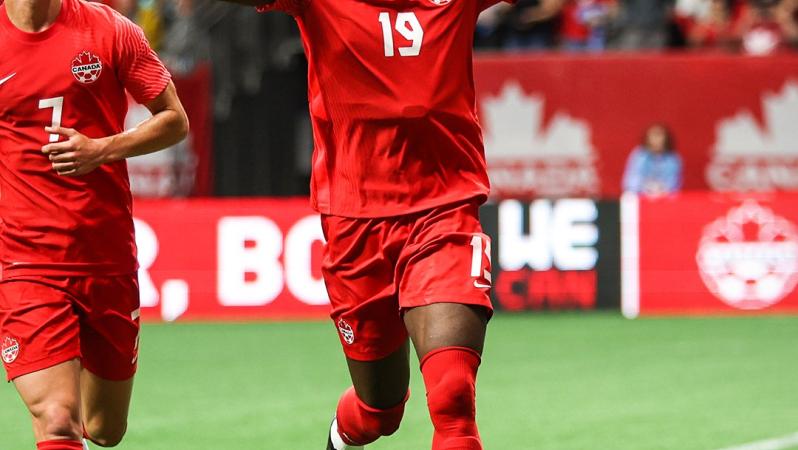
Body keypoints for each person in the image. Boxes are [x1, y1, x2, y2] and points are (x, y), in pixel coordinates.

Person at [217, 0, 511, 449]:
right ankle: (343, 435)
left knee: (453, 399)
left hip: (443, 211)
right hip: (355, 225)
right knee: (379, 410)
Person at [0, 0, 189, 448]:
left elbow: (174, 119)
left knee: (105, 429)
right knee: (57, 417)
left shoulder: (111, 31)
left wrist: (102, 150)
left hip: (105, 256)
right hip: (24, 261)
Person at [622, 124, 683, 196]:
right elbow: (630, 181)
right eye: (653, 135)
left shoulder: (673, 159)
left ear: (666, 138)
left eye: (659, 135)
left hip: (664, 197)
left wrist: (660, 190)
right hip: (641, 196)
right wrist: (647, 189)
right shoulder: (639, 156)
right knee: (628, 195)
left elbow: (674, 184)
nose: (656, 139)